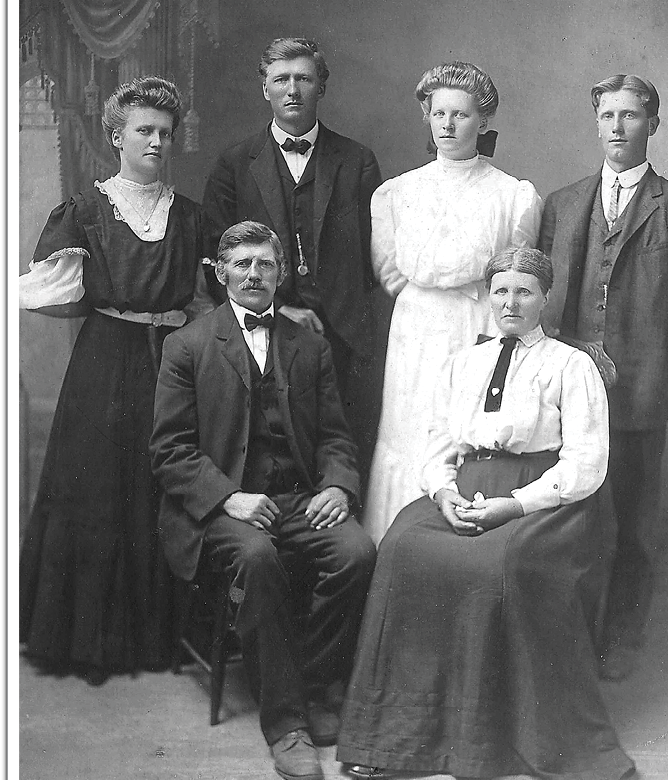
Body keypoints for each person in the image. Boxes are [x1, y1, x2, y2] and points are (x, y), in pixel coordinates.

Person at [336, 247, 634, 780]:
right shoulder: (466, 362)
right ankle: (389, 736)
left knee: (497, 566)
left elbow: (586, 465)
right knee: (403, 547)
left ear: (546, 297)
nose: (511, 302)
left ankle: (482, 738)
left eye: (524, 291)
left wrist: (516, 504)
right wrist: (443, 492)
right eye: (501, 290)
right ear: (490, 296)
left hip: (545, 500)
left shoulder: (571, 365)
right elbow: (439, 441)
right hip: (469, 488)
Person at [149, 221, 376, 780]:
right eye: (243, 264)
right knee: (257, 559)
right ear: (220, 271)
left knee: (356, 552)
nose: (254, 275)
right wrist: (230, 498)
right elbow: (169, 451)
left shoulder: (309, 344)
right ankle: (286, 724)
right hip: (220, 511)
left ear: (280, 273)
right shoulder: (188, 345)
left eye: (266, 264)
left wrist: (337, 487)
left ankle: (321, 687)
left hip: (297, 499)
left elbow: (336, 437)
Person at [19, 76, 214, 686]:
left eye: (164, 132)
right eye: (143, 131)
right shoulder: (87, 210)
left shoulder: (190, 216)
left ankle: (155, 636)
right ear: (116, 136)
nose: (156, 141)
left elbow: (211, 300)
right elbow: (50, 292)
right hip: (105, 361)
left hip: (171, 360)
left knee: (159, 482)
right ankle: (87, 641)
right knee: (98, 486)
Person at [538, 74, 668, 680]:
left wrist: (638, 335)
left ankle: (622, 637)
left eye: (631, 116)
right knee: (569, 507)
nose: (618, 126)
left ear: (653, 125)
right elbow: (545, 292)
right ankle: (571, 627)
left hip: (641, 383)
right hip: (567, 380)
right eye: (608, 115)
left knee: (634, 516)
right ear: (596, 123)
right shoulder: (561, 204)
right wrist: (581, 346)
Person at [363, 61, 543, 545]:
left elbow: (516, 272)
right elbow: (390, 273)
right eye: (438, 113)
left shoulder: (513, 195)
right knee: (411, 429)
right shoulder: (396, 193)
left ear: (482, 121)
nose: (447, 125)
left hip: (476, 324)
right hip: (417, 329)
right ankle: (395, 549)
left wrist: (471, 301)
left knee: (464, 429)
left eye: (460, 115)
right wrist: (431, 299)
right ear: (427, 117)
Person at [202, 37, 383, 484]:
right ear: (264, 89)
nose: (292, 89)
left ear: (321, 86)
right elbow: (214, 261)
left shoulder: (357, 161)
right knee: (270, 447)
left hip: (343, 333)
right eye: (281, 79)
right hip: (264, 327)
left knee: (343, 443)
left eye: (304, 78)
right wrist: (279, 308)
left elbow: (374, 256)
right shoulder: (233, 164)